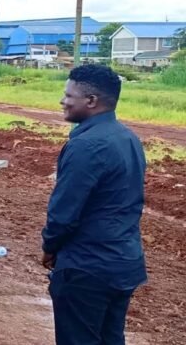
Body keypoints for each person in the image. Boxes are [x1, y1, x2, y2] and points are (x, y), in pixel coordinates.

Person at [41, 64, 146, 345]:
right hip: (123, 261)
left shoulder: (86, 145)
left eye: (68, 95)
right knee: (111, 339)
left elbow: (64, 213)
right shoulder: (128, 138)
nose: (62, 101)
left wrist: (50, 247)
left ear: (91, 101)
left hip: (87, 267)